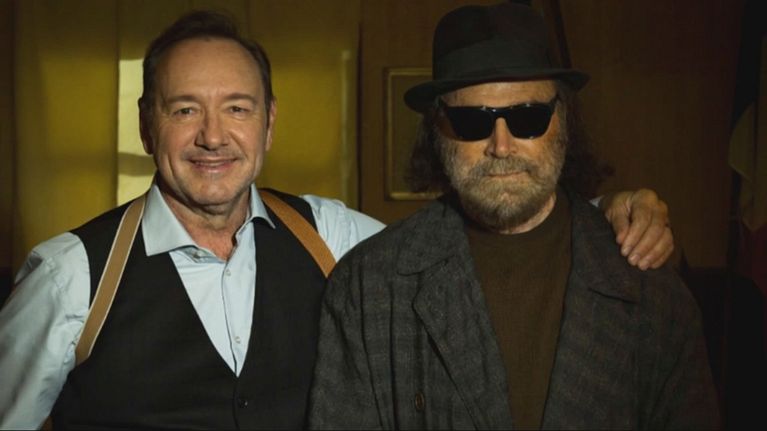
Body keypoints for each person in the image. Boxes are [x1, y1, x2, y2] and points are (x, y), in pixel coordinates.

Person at [0, 9, 673, 430]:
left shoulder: (328, 235)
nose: (213, 136)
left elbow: (467, 237)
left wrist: (604, 215)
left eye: (237, 108)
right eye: (184, 110)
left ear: (268, 124)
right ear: (147, 124)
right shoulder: (69, 277)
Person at [307, 3, 719, 430]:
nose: (501, 146)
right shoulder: (369, 287)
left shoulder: (649, 288)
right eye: (471, 121)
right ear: (437, 131)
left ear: (562, 120)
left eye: (528, 117)